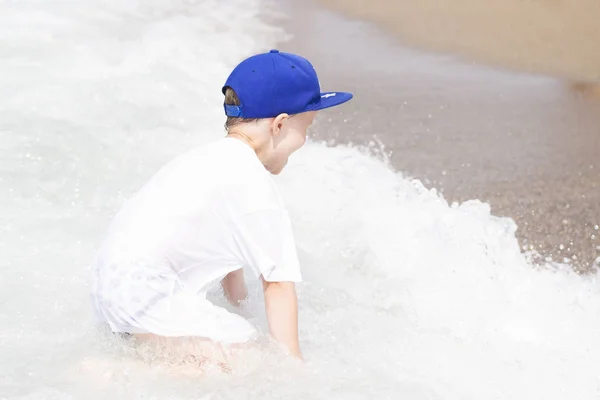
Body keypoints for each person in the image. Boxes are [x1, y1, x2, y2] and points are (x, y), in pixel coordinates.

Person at [91, 49, 353, 360]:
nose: (305, 140)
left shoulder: (206, 160)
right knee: (256, 361)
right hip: (147, 299)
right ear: (279, 125)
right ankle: (108, 373)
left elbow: (231, 255)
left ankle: (132, 361)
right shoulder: (255, 188)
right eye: (306, 127)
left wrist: (238, 308)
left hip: (109, 290)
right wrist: (295, 373)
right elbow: (278, 286)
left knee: (229, 339)